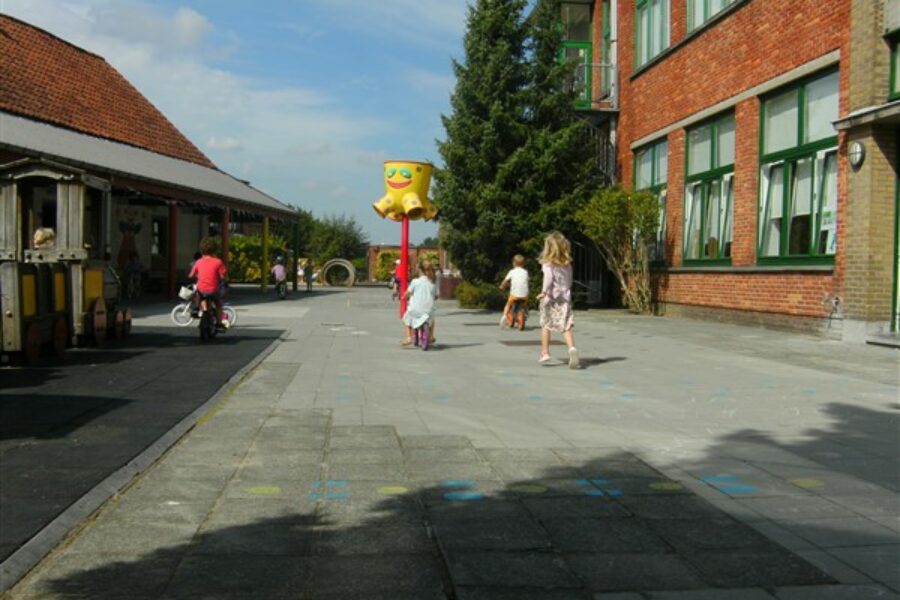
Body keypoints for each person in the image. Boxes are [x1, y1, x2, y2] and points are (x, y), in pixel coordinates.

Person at [537, 231, 578, 369]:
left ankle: (545, 352)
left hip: (551, 298)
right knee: (566, 326)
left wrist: (543, 292)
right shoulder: (567, 265)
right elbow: (569, 281)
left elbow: (548, 279)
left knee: (546, 324)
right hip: (565, 298)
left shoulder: (548, 264)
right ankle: (572, 348)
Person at [188, 237, 228, 328]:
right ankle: (218, 322)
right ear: (214, 250)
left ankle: (197, 309)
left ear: (201, 250)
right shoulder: (218, 262)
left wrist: (197, 276)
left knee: (199, 295)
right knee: (218, 304)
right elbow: (223, 276)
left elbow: (191, 275)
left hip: (201, 289)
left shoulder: (198, 262)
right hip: (213, 290)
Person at [401, 259, 438, 346]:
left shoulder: (415, 282)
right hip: (428, 311)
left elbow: (407, 293)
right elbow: (436, 296)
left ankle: (409, 337)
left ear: (420, 270)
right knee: (432, 320)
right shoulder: (432, 283)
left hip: (415, 310)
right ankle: (431, 336)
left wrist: (404, 297)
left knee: (407, 318)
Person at [500, 254, 529, 328]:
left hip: (514, 295)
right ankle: (525, 312)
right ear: (523, 264)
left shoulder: (512, 272)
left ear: (514, 263)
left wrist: (502, 286)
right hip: (524, 295)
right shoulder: (525, 272)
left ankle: (505, 316)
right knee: (524, 304)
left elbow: (505, 281)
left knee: (508, 304)